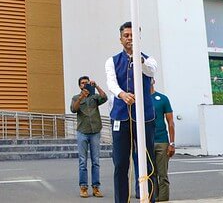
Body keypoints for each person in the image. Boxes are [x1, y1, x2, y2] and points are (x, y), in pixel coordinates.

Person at [105, 22, 157, 203]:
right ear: (121, 39)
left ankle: (148, 198)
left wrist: (139, 59)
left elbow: (151, 71)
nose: (130, 38)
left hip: (145, 117)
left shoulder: (149, 60)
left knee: (147, 160)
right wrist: (122, 94)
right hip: (120, 116)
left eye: (133, 35)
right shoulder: (112, 61)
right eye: (126, 35)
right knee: (120, 162)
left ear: (139, 38)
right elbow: (111, 83)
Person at [71, 76, 107, 198]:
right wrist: (81, 97)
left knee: (95, 161)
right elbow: (73, 109)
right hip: (82, 131)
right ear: (79, 86)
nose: (84, 84)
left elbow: (104, 97)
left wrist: (96, 86)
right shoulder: (76, 98)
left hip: (95, 131)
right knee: (83, 161)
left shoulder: (94, 97)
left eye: (86, 83)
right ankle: (83, 187)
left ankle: (96, 187)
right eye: (82, 83)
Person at [150, 81, 175, 202]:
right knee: (151, 174)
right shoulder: (140, 99)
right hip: (147, 141)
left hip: (162, 141)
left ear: (153, 81)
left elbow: (170, 122)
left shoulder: (163, 99)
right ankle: (154, 198)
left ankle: (164, 199)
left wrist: (172, 143)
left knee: (162, 174)